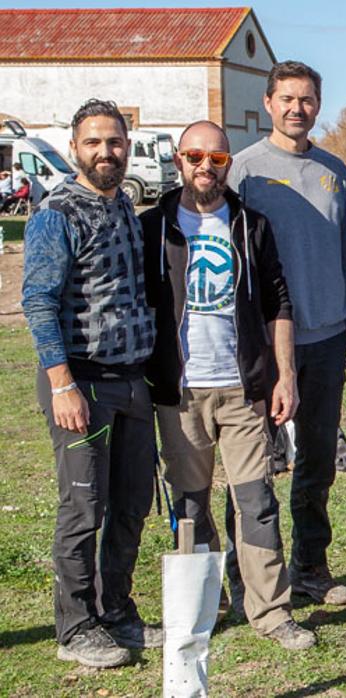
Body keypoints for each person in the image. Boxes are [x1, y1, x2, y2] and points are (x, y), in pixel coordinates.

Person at [139, 121, 315, 649]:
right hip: (180, 392)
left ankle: (270, 610)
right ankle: (200, 604)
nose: (205, 167)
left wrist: (284, 376)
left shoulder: (249, 225)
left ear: (228, 164)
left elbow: (277, 304)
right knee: (190, 504)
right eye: (195, 156)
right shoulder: (155, 227)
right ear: (178, 160)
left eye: (216, 159)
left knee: (256, 499)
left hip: (243, 388)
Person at [22, 99, 161, 668]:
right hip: (80, 383)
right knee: (83, 508)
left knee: (133, 503)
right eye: (94, 142)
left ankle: (117, 612)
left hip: (132, 380)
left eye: (115, 141)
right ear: (74, 146)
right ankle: (75, 626)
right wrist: (62, 384)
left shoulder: (125, 204)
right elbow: (37, 300)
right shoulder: (58, 213)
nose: (106, 152)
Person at [229, 61, 346, 607]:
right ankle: (249, 576)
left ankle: (312, 565)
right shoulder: (244, 171)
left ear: (318, 105)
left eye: (306, 99)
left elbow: (343, 250)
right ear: (268, 103)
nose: (296, 108)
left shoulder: (334, 169)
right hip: (265, 344)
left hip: (328, 336)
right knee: (252, 465)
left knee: (315, 461)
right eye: (286, 98)